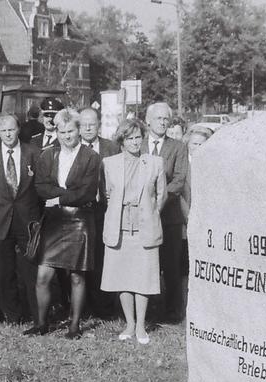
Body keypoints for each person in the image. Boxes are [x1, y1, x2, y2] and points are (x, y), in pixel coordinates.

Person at [28, 109, 102, 339]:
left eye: (71, 131)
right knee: (43, 276)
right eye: (62, 132)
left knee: (77, 276)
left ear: (78, 130)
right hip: (54, 221)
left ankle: (74, 326)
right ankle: (41, 324)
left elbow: (87, 192)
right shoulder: (47, 155)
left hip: (80, 221)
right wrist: (68, 194)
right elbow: (41, 186)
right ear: (56, 132)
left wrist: (58, 197)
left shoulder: (91, 157)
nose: (67, 136)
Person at [100, 119, 165, 344]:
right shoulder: (109, 163)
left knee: (143, 278)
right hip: (119, 229)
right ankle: (128, 323)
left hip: (144, 229)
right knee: (123, 277)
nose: (136, 142)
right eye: (130, 138)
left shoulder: (155, 163)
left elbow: (161, 196)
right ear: (122, 141)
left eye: (138, 137)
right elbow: (108, 195)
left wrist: (148, 214)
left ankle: (140, 326)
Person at [0, 114, 42, 324]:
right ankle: (12, 314)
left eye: (12, 129)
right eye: (3, 130)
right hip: (0, 219)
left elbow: (39, 187)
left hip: (27, 219)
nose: (8, 134)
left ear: (18, 129)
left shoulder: (33, 152)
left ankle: (35, 312)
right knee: (4, 272)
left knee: (30, 270)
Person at [143, 101, 187, 322]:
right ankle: (146, 309)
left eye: (165, 119)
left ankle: (172, 311)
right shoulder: (136, 144)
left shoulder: (177, 147)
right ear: (147, 120)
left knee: (170, 265)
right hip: (142, 216)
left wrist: (157, 197)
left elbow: (179, 181)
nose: (162, 122)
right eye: (158, 118)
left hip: (169, 216)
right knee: (146, 264)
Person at [79, 106, 121, 318]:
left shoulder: (111, 147)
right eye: (84, 124)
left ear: (99, 125)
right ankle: (82, 306)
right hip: (80, 212)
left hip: (106, 211)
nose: (88, 128)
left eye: (92, 124)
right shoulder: (74, 147)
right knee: (82, 261)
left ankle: (104, 307)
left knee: (103, 258)